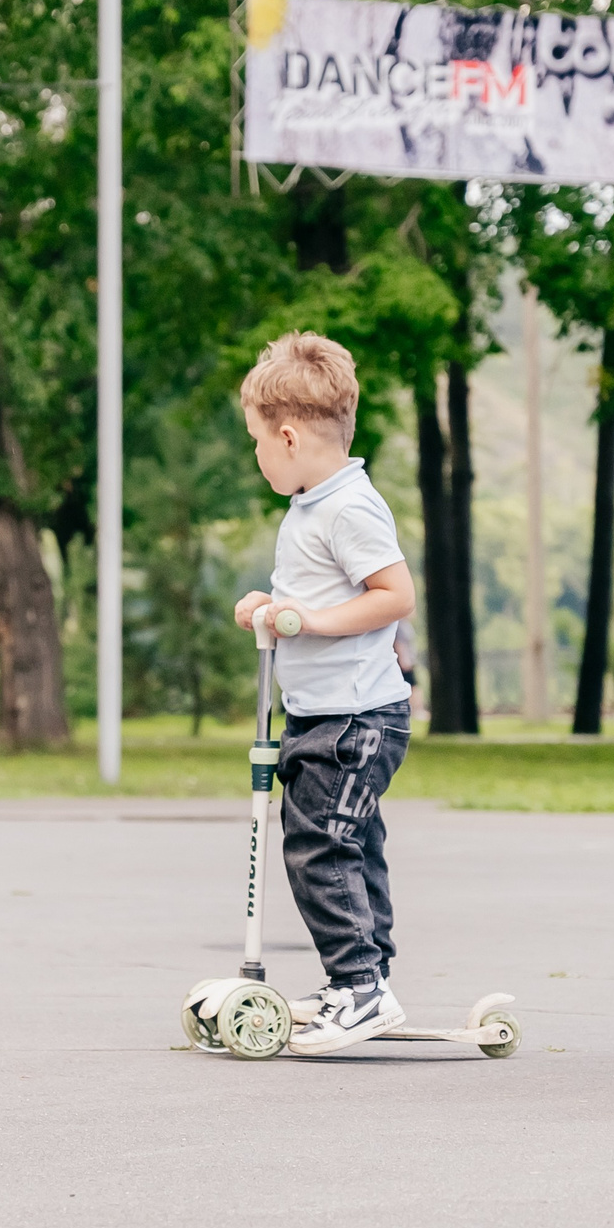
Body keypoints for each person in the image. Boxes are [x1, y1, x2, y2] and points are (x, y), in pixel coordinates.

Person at [230, 333, 418, 1055]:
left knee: (320, 847)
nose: (257, 456)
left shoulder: (348, 508)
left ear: (287, 436)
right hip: (321, 714)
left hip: (355, 718)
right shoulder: (313, 505)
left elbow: (393, 595)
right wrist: (273, 605)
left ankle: (361, 986)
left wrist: (307, 620)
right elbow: (311, 593)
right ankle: (366, 981)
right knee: (353, 845)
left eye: (257, 441)